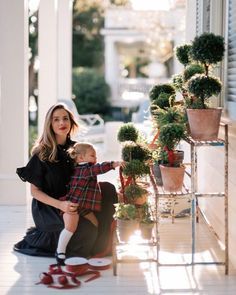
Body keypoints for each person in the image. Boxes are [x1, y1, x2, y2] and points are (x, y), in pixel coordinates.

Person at [14, 103, 118, 258]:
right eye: (56, 120)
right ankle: (78, 247)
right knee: (85, 230)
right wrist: (60, 204)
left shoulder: (76, 149)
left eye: (65, 118)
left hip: (74, 199)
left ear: (71, 122)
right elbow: (35, 192)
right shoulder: (42, 153)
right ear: (50, 124)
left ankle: (106, 236)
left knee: (108, 188)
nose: (62, 123)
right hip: (50, 206)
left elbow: (88, 173)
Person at [56, 142, 123, 265]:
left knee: (95, 223)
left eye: (96, 156)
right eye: (92, 156)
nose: (96, 159)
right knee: (70, 227)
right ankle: (60, 252)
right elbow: (99, 168)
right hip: (73, 205)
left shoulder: (85, 169)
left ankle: (96, 248)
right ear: (81, 158)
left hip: (84, 207)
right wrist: (114, 164)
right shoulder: (84, 170)